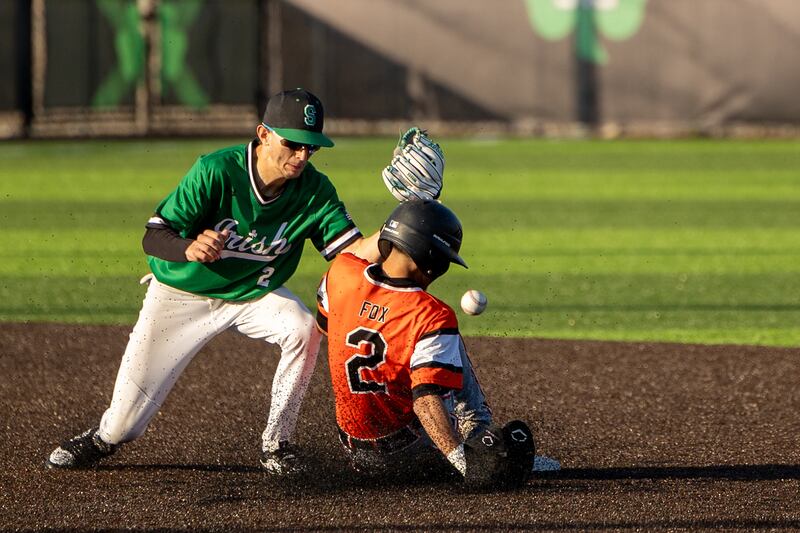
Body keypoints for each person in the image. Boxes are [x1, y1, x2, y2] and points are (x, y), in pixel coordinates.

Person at [46, 88, 382, 474]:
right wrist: (188, 247)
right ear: (263, 134)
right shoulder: (216, 171)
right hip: (180, 294)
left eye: (312, 147)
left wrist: (400, 225)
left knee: (303, 328)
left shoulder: (315, 191)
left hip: (252, 293)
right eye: (293, 144)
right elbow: (154, 235)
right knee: (123, 428)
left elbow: (353, 253)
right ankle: (102, 437)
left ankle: (277, 444)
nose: (303, 155)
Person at [316, 199, 536, 486]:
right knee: (446, 344)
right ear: (430, 256)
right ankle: (477, 431)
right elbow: (426, 401)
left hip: (351, 446)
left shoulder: (341, 271)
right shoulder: (431, 313)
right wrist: (464, 464)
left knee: (426, 349)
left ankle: (472, 437)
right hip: (407, 451)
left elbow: (325, 328)